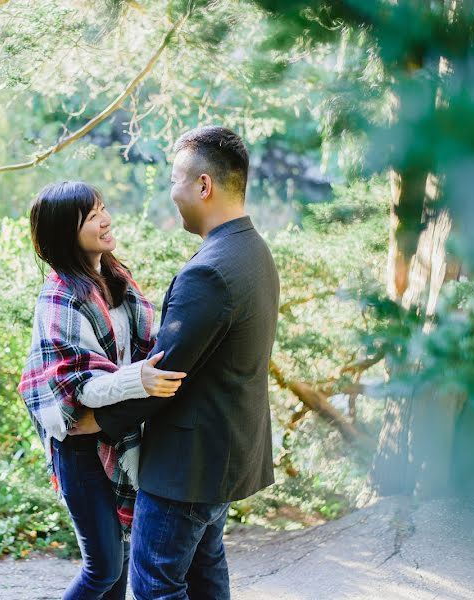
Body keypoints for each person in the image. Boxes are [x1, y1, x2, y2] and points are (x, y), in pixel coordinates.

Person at [70, 126, 280, 600]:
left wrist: (96, 420)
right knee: (206, 575)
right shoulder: (253, 250)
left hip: (187, 467)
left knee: (154, 587)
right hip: (224, 454)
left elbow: (165, 376)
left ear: (203, 186)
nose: (172, 193)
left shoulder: (210, 270)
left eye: (174, 180)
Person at [18, 181, 187, 600]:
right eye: (92, 216)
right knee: (103, 567)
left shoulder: (115, 279)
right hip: (78, 448)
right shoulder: (58, 298)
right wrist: (139, 380)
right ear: (65, 232)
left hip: (114, 432)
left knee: (122, 563)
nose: (106, 220)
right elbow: (79, 386)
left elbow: (150, 341)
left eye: (104, 209)